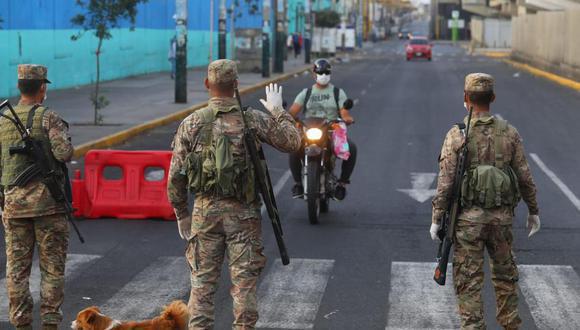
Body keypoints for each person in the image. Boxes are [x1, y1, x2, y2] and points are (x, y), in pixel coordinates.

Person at [167, 59, 301, 329]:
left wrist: (182, 213)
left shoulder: (192, 123)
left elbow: (176, 177)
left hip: (205, 215)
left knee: (202, 287)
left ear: (207, 84)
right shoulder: (251, 119)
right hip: (244, 215)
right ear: (237, 85)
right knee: (244, 287)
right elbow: (293, 142)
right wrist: (278, 110)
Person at [430, 73, 541, 330]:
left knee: (469, 282)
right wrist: (533, 210)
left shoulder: (457, 135)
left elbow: (445, 182)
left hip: (467, 223)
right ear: (493, 98)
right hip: (501, 221)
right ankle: (510, 324)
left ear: (466, 98)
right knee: (505, 278)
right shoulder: (509, 133)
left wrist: (437, 219)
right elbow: (525, 176)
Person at [1, 64, 74, 330]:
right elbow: (64, 153)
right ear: (42, 87)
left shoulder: (1, 122)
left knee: (16, 271)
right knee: (52, 269)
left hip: (13, 207)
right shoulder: (49, 118)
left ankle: (21, 324)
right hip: (48, 207)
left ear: (20, 87)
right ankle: (50, 323)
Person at [288, 58, 357, 200]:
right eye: (320, 72)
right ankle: (298, 184)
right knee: (293, 148)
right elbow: (292, 112)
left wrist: (347, 118)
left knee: (352, 148)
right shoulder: (306, 93)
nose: (323, 75)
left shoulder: (338, 93)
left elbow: (344, 112)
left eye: (326, 72)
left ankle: (342, 184)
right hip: (309, 130)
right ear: (314, 74)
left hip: (331, 131)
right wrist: (285, 116)